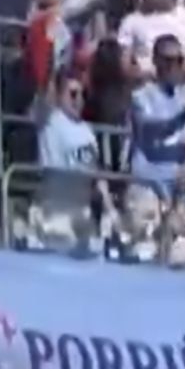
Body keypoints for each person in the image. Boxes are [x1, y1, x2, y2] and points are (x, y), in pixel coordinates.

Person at [125, 34, 185, 258]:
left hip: (176, 190)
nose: (173, 67)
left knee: (181, 255)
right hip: (147, 185)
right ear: (156, 62)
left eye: (178, 60)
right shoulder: (141, 96)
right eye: (167, 60)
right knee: (144, 251)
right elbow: (152, 130)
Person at [36, 70, 115, 252]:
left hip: (82, 210)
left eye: (82, 94)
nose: (78, 99)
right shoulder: (50, 121)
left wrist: (110, 209)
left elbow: (96, 172)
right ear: (58, 95)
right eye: (72, 94)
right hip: (56, 210)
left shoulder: (87, 130)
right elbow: (42, 100)